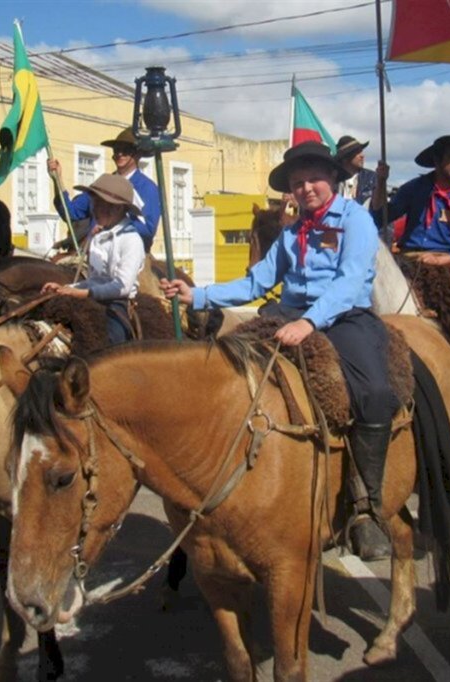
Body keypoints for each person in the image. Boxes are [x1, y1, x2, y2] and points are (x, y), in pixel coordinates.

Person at [161, 141, 398, 561]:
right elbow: (256, 283)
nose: (305, 189)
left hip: (343, 316)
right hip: (288, 313)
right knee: (225, 367)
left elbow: (350, 280)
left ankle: (367, 509)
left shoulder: (356, 219)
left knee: (375, 394)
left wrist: (309, 322)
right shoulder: (292, 232)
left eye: (313, 180)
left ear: (334, 181)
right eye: (297, 183)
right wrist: (198, 295)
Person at [370, 134, 450, 383]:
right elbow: (380, 218)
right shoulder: (416, 188)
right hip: (408, 258)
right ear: (437, 161)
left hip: (446, 262)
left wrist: (444, 260)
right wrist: (380, 182)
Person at [41, 174, 146, 346]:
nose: (95, 209)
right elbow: (94, 281)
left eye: (101, 204)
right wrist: (66, 288)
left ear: (118, 209)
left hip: (117, 303)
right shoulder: (98, 237)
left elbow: (122, 287)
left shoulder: (131, 240)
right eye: (95, 203)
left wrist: (83, 293)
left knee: (111, 344)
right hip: (91, 298)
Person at [47, 127, 161, 252]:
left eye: (126, 150)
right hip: (92, 252)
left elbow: (148, 231)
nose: (119, 154)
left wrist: (112, 224)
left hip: (130, 254)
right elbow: (71, 213)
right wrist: (57, 180)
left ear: (138, 154)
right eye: (116, 150)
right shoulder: (102, 184)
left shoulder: (148, 188)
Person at [334, 135, 377, 207]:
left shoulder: (371, 178)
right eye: (357, 152)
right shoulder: (333, 180)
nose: (362, 156)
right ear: (345, 158)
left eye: (361, 152)